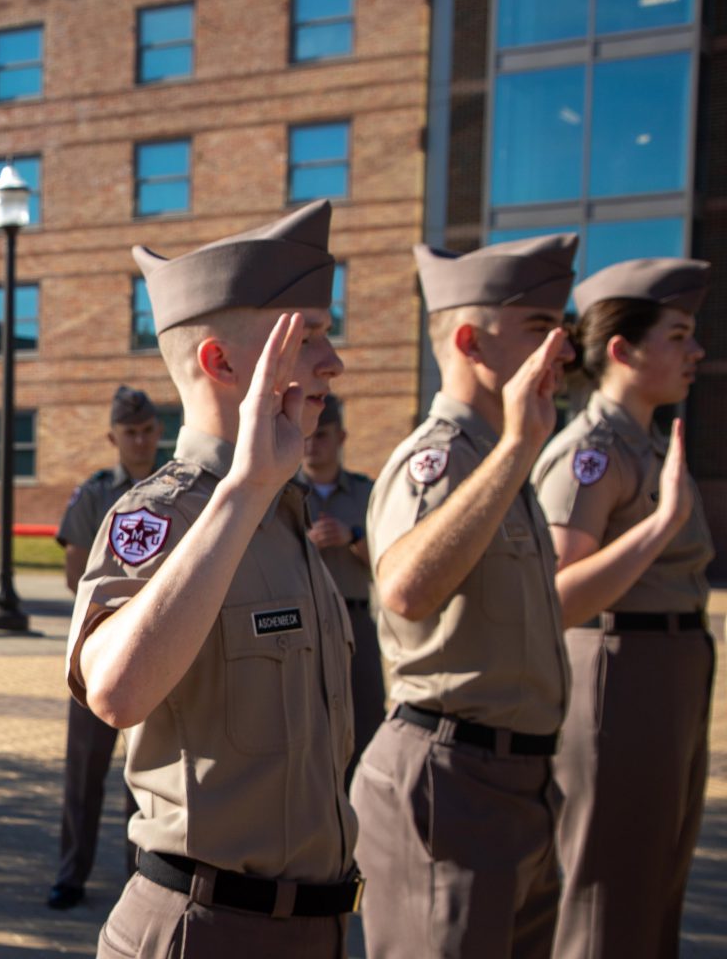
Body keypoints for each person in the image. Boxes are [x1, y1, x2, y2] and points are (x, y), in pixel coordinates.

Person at [69, 200, 359, 958]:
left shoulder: (288, 512)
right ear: (222, 363)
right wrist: (244, 493)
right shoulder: (163, 514)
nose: (332, 363)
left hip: (317, 928)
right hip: (205, 930)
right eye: (309, 336)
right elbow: (116, 692)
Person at [353, 235, 575, 958]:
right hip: (453, 783)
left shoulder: (502, 458)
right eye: (542, 329)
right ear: (471, 340)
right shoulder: (442, 458)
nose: (564, 350)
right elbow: (405, 590)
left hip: (520, 783)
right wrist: (517, 449)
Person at [531, 258, 714, 958]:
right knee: (608, 886)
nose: (695, 351)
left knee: (656, 878)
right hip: (619, 674)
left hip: (667, 671)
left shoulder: (645, 442)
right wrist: (658, 526)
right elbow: (560, 593)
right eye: (678, 334)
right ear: (622, 350)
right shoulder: (594, 454)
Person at [47, 385, 159, 910]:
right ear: (113, 436)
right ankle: (72, 875)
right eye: (129, 432)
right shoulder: (94, 494)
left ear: (158, 433)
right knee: (85, 772)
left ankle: (145, 876)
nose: (139, 440)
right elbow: (75, 574)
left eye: (147, 430)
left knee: (151, 773)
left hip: (160, 652)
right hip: (98, 652)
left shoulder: (174, 490)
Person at [297, 394, 383, 785]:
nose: (314, 444)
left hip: (356, 620)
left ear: (342, 436)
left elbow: (392, 560)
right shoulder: (281, 493)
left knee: (365, 724)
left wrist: (353, 537)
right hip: (303, 625)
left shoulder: (368, 493)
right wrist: (304, 547)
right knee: (305, 732)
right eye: (307, 436)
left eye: (323, 435)